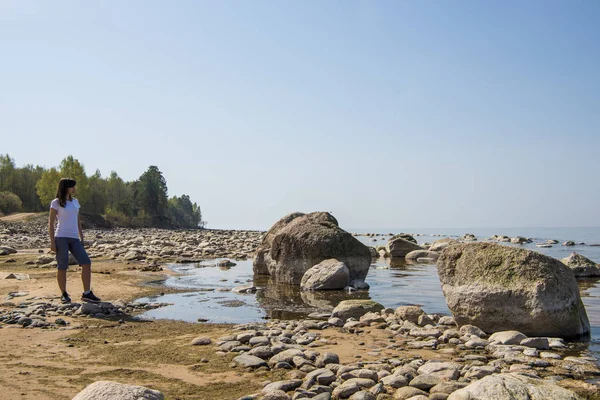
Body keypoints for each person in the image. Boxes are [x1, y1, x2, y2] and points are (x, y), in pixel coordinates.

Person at [49, 178, 101, 303]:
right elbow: (51, 223)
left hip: (74, 238)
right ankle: (64, 293)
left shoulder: (75, 202)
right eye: (72, 186)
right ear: (66, 187)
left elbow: (77, 220)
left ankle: (87, 293)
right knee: (62, 266)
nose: (74, 188)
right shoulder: (56, 203)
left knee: (86, 263)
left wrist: (81, 237)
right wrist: (52, 242)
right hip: (61, 237)